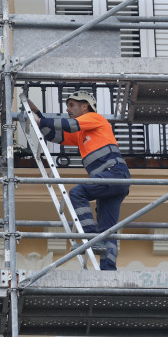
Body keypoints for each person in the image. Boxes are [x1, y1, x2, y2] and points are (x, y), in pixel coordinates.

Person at [28, 91, 130, 270]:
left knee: (77, 192)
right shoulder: (83, 132)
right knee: (108, 229)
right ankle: (108, 271)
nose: (68, 109)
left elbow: (70, 124)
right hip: (113, 179)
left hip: (112, 174)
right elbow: (55, 135)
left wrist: (40, 120)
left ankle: (90, 238)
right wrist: (38, 114)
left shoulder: (94, 118)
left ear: (85, 106)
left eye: (71, 105)